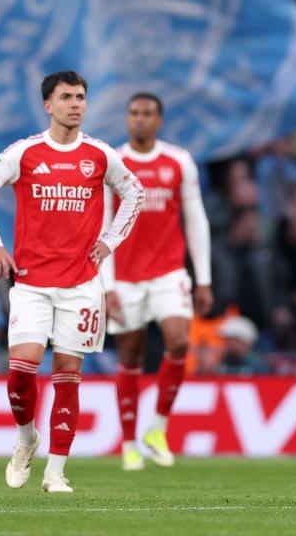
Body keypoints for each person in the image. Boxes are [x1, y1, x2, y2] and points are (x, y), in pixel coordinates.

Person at [0, 71, 143, 493]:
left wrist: (110, 241)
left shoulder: (99, 155)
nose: (76, 104)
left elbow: (134, 192)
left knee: (67, 374)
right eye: (66, 97)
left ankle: (56, 472)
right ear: (48, 105)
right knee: (21, 373)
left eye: (81, 97)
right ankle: (27, 438)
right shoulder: (26, 153)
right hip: (31, 282)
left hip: (81, 285)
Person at [104, 92, 212, 471]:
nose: (140, 120)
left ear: (160, 120)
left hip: (168, 272)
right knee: (130, 356)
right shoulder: (114, 163)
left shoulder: (178, 161)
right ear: (127, 118)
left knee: (180, 341)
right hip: (126, 277)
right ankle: (130, 443)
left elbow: (196, 219)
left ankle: (158, 428)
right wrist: (107, 286)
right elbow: (103, 227)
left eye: (148, 114)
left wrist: (204, 279)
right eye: (133, 113)